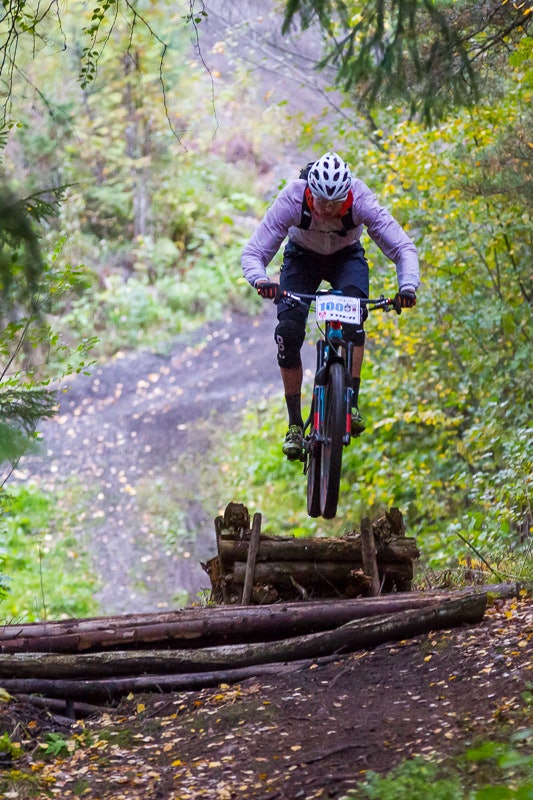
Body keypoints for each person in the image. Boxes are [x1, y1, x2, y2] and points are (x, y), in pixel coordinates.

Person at [241, 151, 420, 460]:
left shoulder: (361, 198)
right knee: (288, 332)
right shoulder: (293, 199)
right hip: (301, 259)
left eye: (334, 202)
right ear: (310, 190)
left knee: (354, 322)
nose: (326, 208)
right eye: (320, 200)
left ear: (347, 195)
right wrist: (261, 280)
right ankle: (295, 424)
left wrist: (407, 286)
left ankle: (349, 402)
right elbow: (254, 252)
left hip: (345, 258)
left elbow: (402, 247)